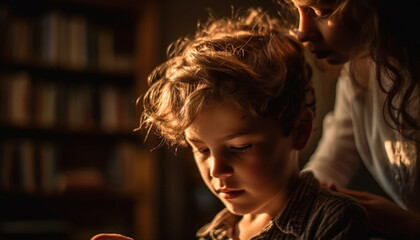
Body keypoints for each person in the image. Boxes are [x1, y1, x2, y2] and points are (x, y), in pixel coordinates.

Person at [137, 8, 369, 239]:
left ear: (299, 130)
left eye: (240, 147)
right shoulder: (212, 235)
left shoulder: (333, 221)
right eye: (202, 150)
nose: (217, 170)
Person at [275, 0, 420, 239]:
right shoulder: (359, 72)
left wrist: (411, 226)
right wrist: (271, 210)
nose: (301, 32)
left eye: (321, 12)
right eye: (297, 11)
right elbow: (333, 160)